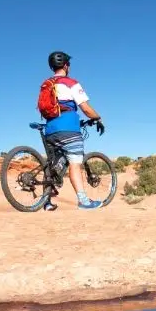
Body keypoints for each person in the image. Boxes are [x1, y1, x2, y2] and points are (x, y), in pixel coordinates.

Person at [42, 51, 106, 211]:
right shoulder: (71, 83)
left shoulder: (46, 84)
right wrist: (98, 118)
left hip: (50, 129)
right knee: (75, 164)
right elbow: (85, 108)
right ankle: (84, 201)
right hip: (69, 128)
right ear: (65, 65)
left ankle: (46, 202)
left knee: (51, 165)